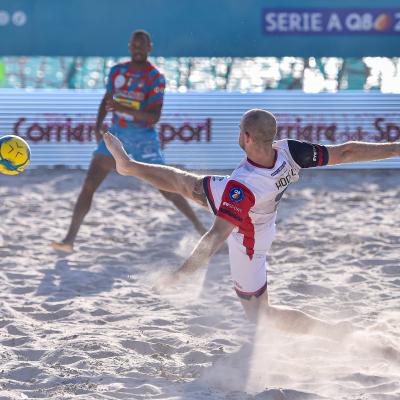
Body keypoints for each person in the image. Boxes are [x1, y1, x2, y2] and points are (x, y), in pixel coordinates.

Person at [103, 109, 400, 337]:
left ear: (246, 136)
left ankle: (332, 332)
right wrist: (396, 148)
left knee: (260, 315)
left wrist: (180, 275)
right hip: (258, 211)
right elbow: (346, 151)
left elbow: (215, 237)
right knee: (187, 184)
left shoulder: (242, 186)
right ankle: (129, 166)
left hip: (249, 241)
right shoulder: (289, 151)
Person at [51, 30, 205, 253]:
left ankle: (202, 230)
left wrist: (122, 107)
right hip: (117, 134)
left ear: (150, 48)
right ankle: (69, 240)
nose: (138, 49)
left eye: (142, 46)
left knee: (168, 189)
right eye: (135, 45)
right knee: (89, 184)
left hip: (144, 139)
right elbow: (107, 100)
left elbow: (153, 117)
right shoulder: (117, 71)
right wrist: (97, 126)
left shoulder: (155, 77)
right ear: (129, 47)